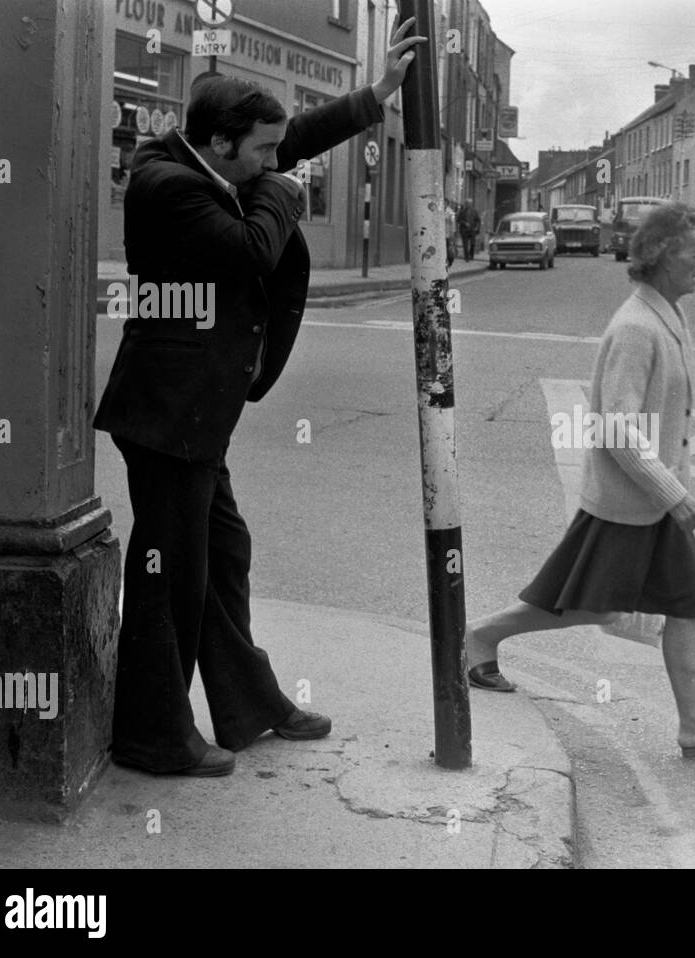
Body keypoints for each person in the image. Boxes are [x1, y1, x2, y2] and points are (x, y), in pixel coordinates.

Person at [91, 19, 426, 777]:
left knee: (221, 555)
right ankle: (152, 736)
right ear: (221, 147)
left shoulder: (215, 161)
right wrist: (284, 191)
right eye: (264, 155)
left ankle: (247, 706)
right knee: (167, 570)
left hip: (194, 416)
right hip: (168, 414)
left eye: (276, 155)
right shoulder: (166, 185)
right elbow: (252, 248)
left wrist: (374, 97)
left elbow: (291, 136)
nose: (277, 162)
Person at [462, 202, 695, 763]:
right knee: (595, 605)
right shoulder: (635, 328)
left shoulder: (668, 315)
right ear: (660, 256)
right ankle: (479, 635)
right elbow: (617, 431)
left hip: (649, 501)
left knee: (683, 600)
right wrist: (675, 496)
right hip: (634, 501)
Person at [445, 200, 458, 268]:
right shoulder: (439, 211)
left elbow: (453, 223)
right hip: (441, 235)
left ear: (447, 203)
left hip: (448, 234)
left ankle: (450, 260)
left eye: (444, 202)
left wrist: (452, 232)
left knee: (449, 248)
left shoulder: (450, 212)